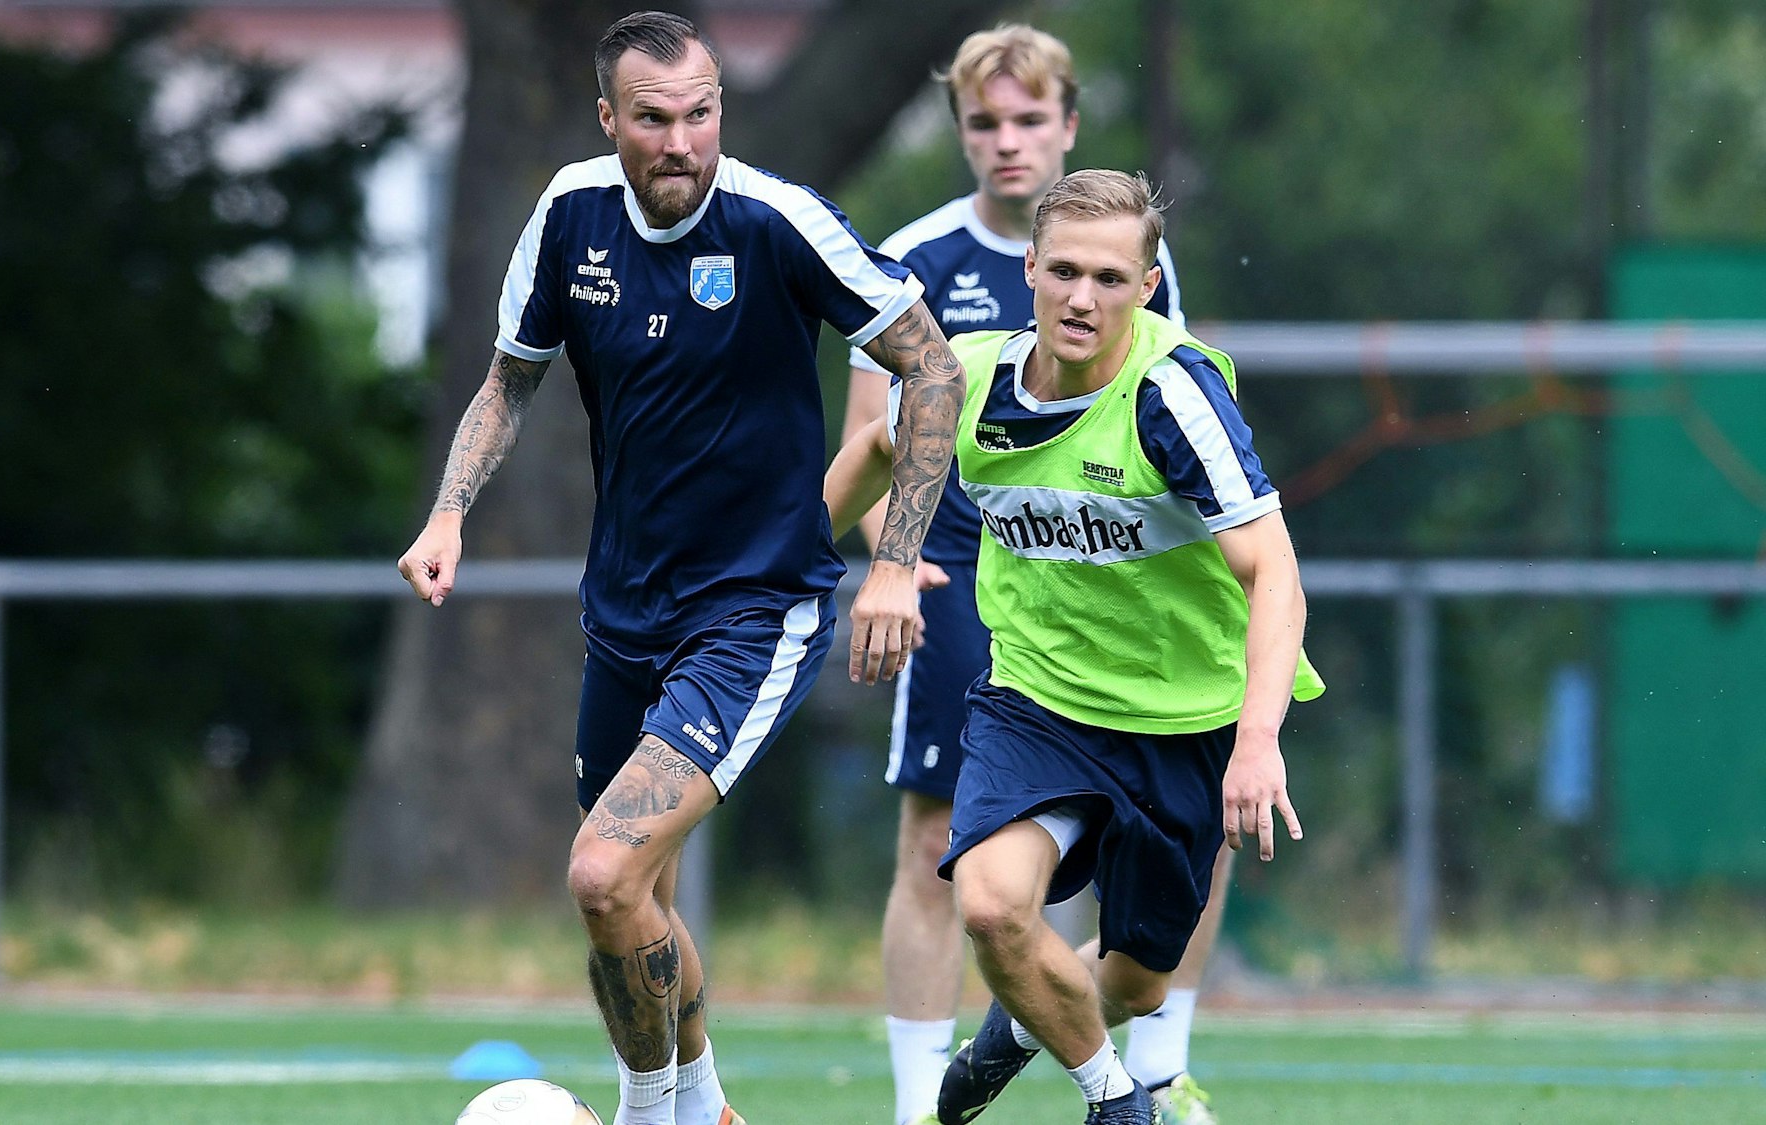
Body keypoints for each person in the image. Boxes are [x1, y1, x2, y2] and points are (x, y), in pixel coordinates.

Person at [396, 12, 963, 1125]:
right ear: (608, 118)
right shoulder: (569, 215)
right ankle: (702, 1109)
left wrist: (891, 565)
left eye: (699, 114)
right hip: (624, 614)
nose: (680, 142)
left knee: (602, 874)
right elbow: (511, 379)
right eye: (652, 119)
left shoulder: (778, 222)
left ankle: (651, 1114)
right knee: (629, 898)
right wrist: (448, 514)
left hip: (754, 609)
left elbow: (931, 370)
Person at [827, 169, 1324, 1125]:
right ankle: (1116, 1101)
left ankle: (1014, 1034)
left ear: (1145, 286)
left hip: (1185, 716)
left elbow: (1275, 573)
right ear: (1030, 270)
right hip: (1039, 702)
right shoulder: (966, 379)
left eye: (1107, 277)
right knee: (990, 903)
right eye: (1063, 271)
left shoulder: (1172, 398)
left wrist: (1258, 740)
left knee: (1132, 985)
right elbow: (875, 450)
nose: (1081, 298)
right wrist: (791, 568)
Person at [837, 26, 1219, 1125]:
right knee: (938, 844)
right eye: (982, 123)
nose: (1005, 144)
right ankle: (924, 1104)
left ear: (1066, 126)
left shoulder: (1136, 262)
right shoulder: (910, 258)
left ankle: (1150, 1061)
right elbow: (870, 439)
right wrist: (890, 567)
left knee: (1163, 827)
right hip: (957, 569)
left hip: (1099, 577)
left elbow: (1165, 425)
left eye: (1026, 120)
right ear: (959, 133)